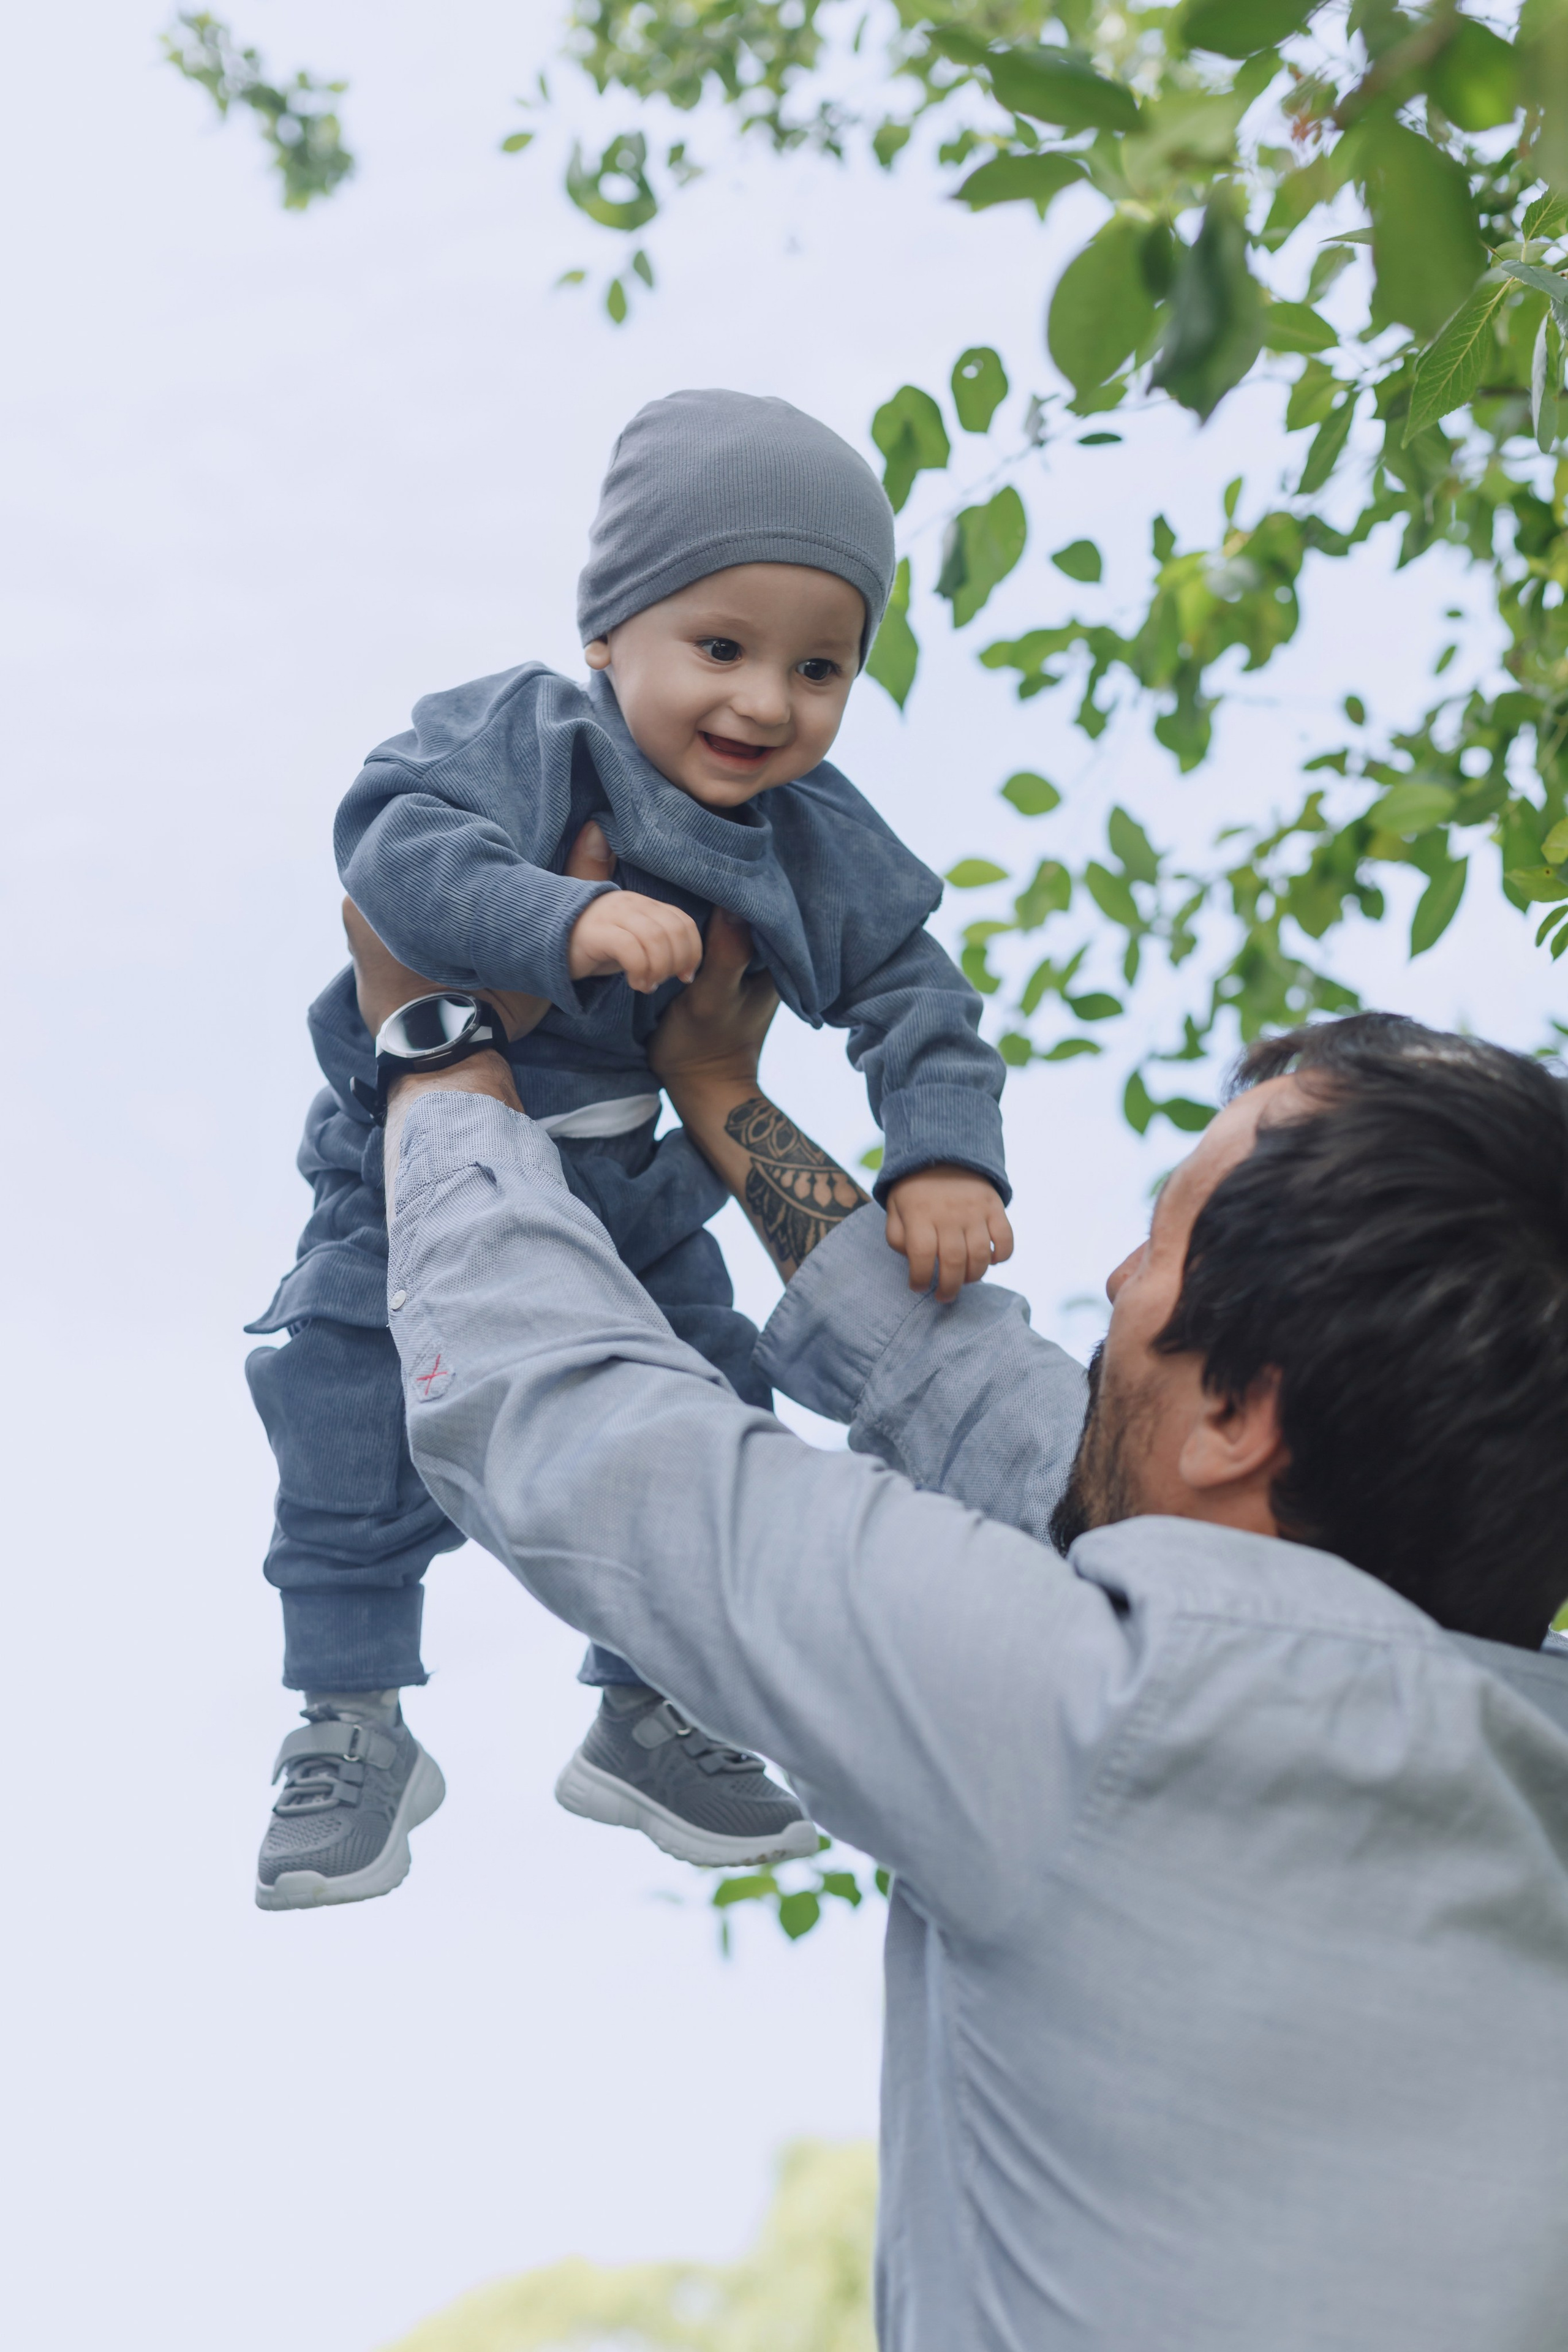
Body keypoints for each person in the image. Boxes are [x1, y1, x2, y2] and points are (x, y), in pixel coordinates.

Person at [362, 913, 1568, 2351]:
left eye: (1156, 1250)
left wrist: (432, 1053)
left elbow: (575, 1426)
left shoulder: (1116, 1720)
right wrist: (721, 1096)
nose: (1115, 1287)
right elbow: (1035, 1442)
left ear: (1243, 1411)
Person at [244, 388, 1014, 1909]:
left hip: (636, 1200)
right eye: (719, 649)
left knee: (707, 1412)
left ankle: (650, 1709)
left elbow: (916, 988)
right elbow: (389, 841)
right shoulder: (530, 736)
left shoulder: (813, 837)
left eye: (820, 666)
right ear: (609, 633)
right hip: (400, 1178)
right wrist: (567, 918)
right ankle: (348, 1717)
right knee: (336, 1388)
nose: (765, 703)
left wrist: (945, 1157)